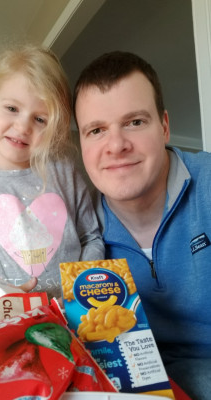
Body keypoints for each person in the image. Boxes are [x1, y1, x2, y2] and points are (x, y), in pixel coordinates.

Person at [73, 50, 211, 400]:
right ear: (82, 143)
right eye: (96, 130)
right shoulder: (75, 229)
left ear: (164, 126)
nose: (116, 145)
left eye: (134, 121)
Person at [0, 42, 104, 313]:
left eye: (40, 119)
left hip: (74, 312)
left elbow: (91, 237)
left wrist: (80, 291)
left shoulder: (64, 171)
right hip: (5, 318)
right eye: (12, 109)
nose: (23, 126)